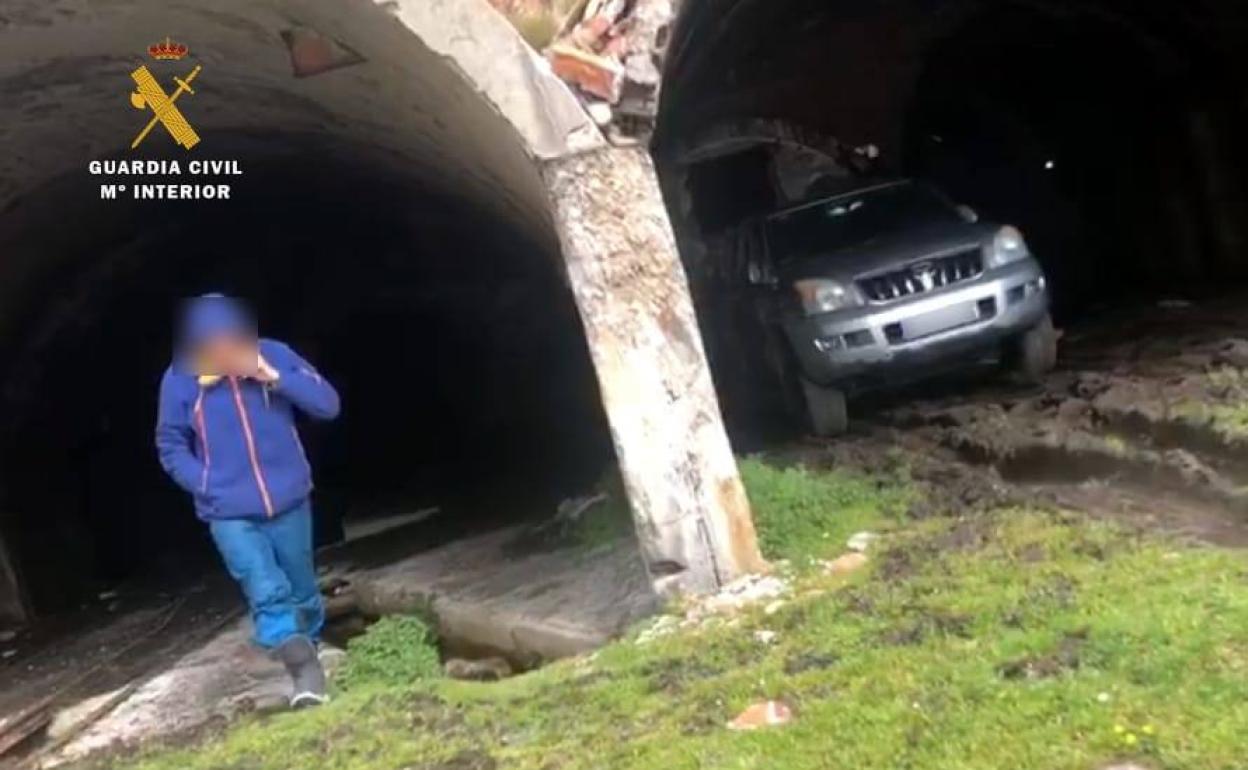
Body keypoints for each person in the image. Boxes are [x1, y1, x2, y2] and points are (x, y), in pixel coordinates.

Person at [155, 294, 340, 708]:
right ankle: (304, 674)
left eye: (229, 340)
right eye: (209, 343)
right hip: (229, 511)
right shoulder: (181, 378)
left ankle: (309, 646)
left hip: (289, 499)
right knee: (265, 588)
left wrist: (272, 376)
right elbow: (169, 443)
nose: (221, 351)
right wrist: (204, 482)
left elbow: (327, 406)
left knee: (302, 589)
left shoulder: (274, 355)